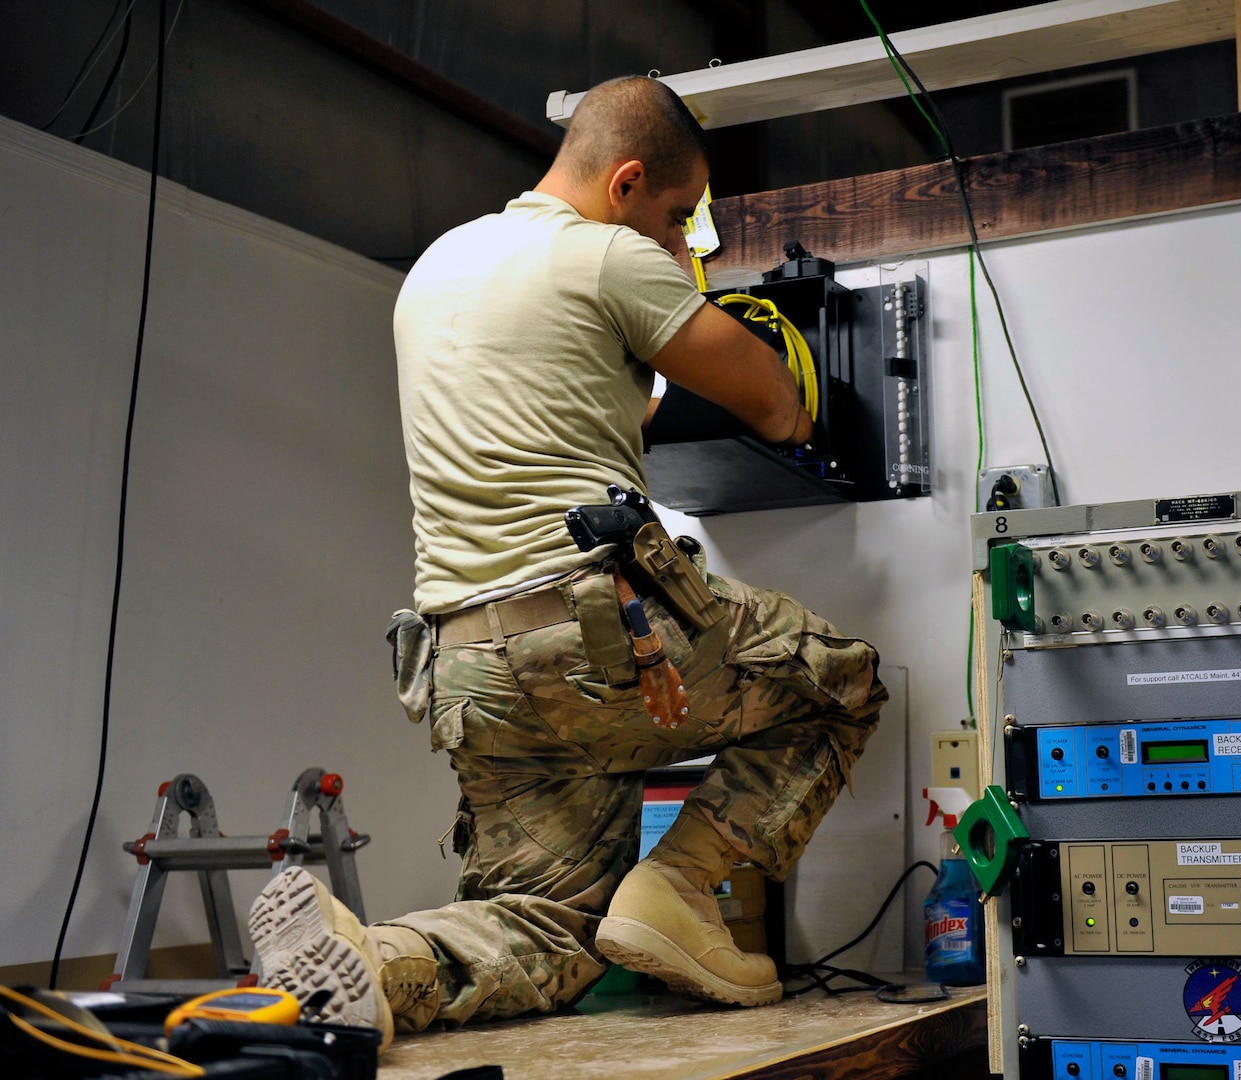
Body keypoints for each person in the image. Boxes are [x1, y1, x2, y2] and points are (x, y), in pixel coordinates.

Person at [246, 75, 885, 1048]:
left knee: (547, 929)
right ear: (626, 182)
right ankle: (676, 889)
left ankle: (367, 964)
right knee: (840, 680)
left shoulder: (440, 265)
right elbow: (768, 398)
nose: (678, 242)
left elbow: (590, 403)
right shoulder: (602, 256)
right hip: (599, 633)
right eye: (677, 218)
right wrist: (697, 297)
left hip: (465, 664)